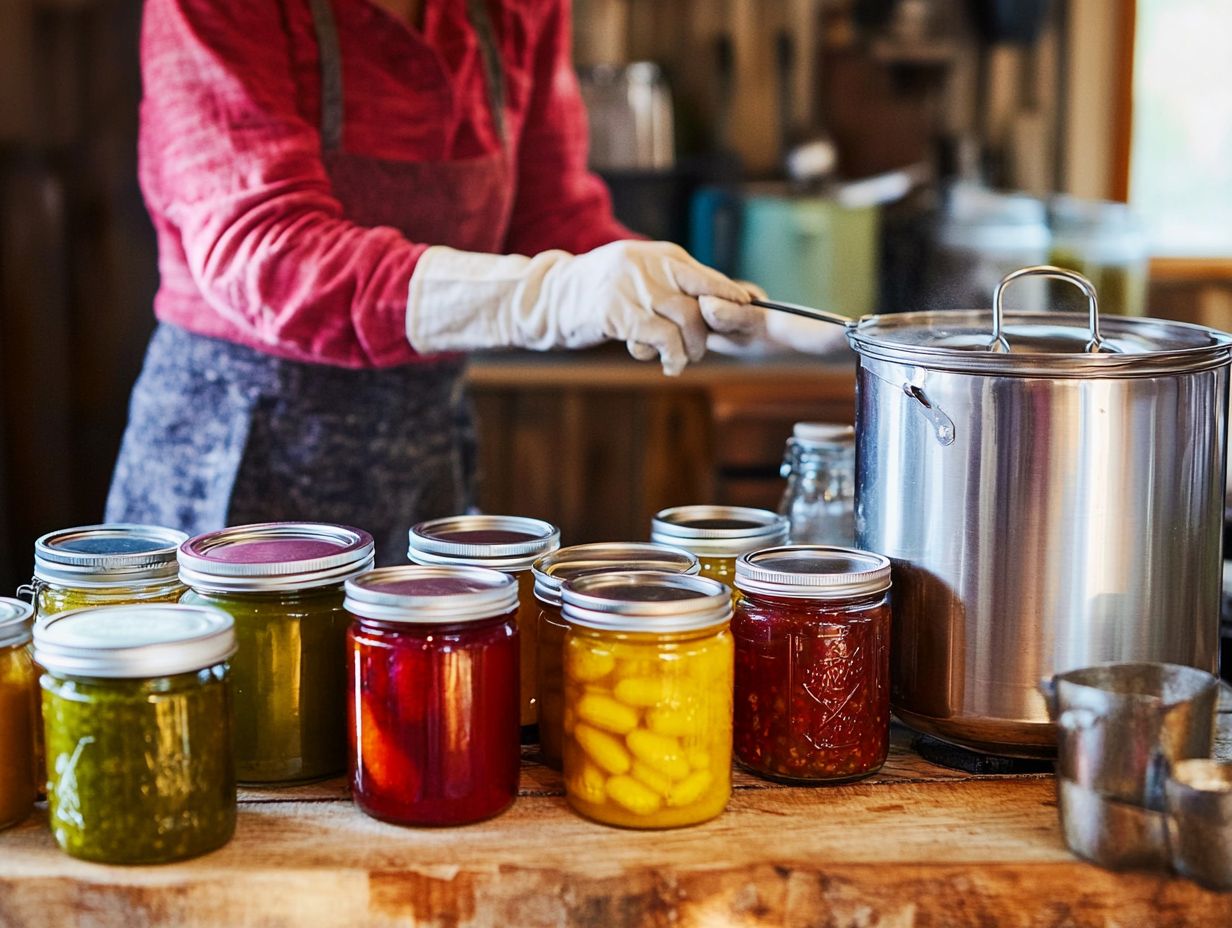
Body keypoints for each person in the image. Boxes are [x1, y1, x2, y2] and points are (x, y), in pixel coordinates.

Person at [105, 0, 770, 563]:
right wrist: (555, 296)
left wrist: (717, 304)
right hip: (236, 461)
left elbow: (551, 215)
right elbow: (269, 253)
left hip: (422, 455)